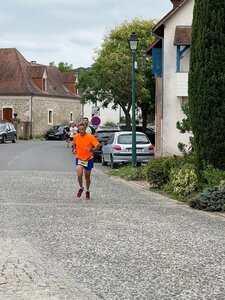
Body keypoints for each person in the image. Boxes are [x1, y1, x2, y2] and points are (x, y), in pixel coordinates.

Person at [73, 122, 100, 200]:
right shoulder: (76, 137)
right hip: (79, 158)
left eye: (82, 129)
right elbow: (74, 144)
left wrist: (91, 149)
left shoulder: (90, 137)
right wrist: (74, 149)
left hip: (88, 159)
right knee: (79, 174)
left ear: (85, 129)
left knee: (87, 177)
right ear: (78, 129)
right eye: (80, 129)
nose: (81, 131)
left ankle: (87, 190)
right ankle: (81, 187)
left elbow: (98, 146)